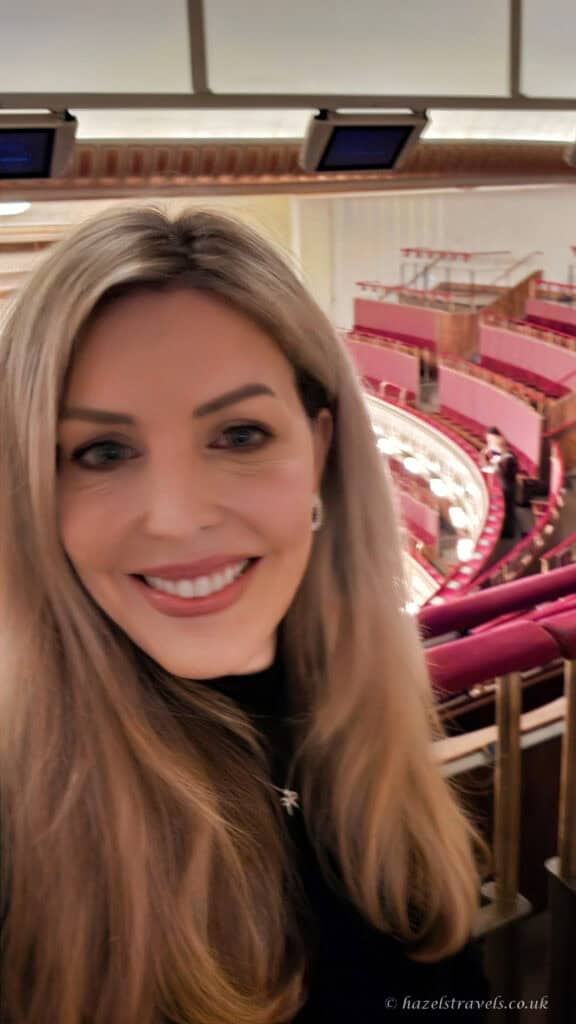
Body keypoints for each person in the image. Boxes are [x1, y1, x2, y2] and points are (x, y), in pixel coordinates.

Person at [0, 208, 490, 1023]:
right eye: (102, 452)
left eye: (238, 433)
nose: (176, 518)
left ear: (321, 448)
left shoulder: (374, 740)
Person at [480, 427, 519, 538]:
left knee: (508, 510)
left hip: (508, 487)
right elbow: (486, 463)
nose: (490, 444)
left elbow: (506, 472)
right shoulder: (497, 454)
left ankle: (507, 533)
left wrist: (497, 464)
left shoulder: (510, 456)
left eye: (492, 441)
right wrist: (484, 453)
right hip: (501, 484)